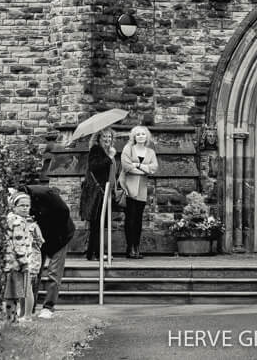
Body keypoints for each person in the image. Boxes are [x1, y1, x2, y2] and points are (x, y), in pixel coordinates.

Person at [22, 183, 75, 319]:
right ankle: (30, 307)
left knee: (54, 272)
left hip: (59, 237)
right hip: (38, 239)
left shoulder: (45, 194)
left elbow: (64, 211)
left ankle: (48, 307)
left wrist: (49, 231)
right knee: (34, 271)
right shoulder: (21, 202)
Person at [119, 125, 158, 259]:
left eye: (143, 134)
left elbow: (154, 168)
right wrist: (142, 171)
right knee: (130, 219)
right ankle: (129, 248)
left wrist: (139, 165)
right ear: (134, 137)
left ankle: (136, 247)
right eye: (138, 134)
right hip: (128, 188)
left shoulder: (151, 152)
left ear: (147, 137)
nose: (141, 136)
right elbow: (126, 166)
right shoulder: (128, 149)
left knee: (138, 220)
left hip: (142, 190)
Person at [80, 128, 118, 261]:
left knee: (101, 224)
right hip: (97, 192)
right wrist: (110, 157)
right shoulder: (96, 149)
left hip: (106, 191)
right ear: (98, 138)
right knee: (97, 224)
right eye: (104, 137)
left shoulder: (106, 151)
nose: (107, 139)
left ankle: (97, 252)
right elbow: (94, 166)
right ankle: (94, 253)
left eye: (110, 137)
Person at [4, 191, 34, 323]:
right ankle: (12, 319)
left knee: (11, 293)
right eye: (22, 205)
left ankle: (11, 318)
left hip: (9, 262)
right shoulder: (18, 222)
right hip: (16, 264)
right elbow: (19, 244)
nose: (25, 208)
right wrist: (24, 263)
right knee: (15, 292)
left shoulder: (10, 219)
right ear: (14, 206)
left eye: (27, 206)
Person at [24, 209, 45, 317]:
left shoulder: (34, 226)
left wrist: (33, 241)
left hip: (32, 258)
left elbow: (41, 240)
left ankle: (28, 314)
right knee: (23, 286)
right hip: (22, 258)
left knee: (29, 286)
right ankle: (23, 311)